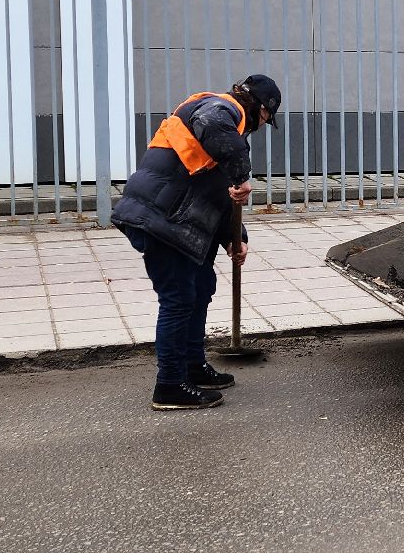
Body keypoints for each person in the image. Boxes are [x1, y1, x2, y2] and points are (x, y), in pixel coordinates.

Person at [114, 74, 282, 410]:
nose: (263, 125)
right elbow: (212, 127)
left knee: (202, 285)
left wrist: (235, 240)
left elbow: (216, 194)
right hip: (160, 219)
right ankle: (170, 385)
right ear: (261, 108)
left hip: (180, 220)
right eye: (266, 118)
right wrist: (241, 175)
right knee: (178, 299)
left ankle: (193, 365)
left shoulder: (230, 131)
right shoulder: (220, 109)